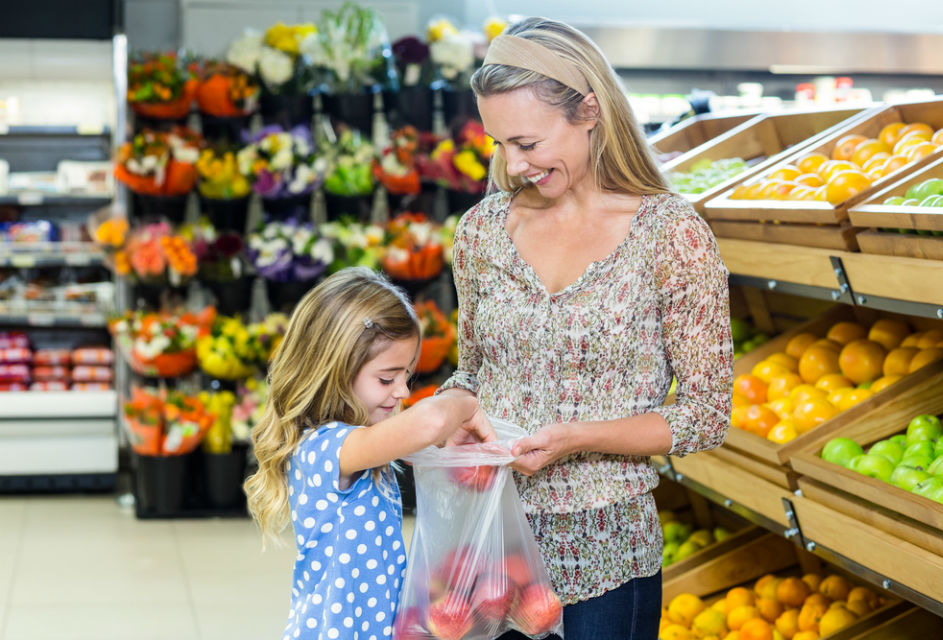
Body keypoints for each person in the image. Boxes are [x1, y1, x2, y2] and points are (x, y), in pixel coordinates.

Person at [437, 17, 733, 640]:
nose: (512, 165)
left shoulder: (670, 235)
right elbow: (472, 372)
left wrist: (577, 437)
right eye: (498, 145)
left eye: (527, 142)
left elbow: (705, 415)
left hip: (607, 552)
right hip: (491, 542)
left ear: (589, 111)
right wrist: (452, 414)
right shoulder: (482, 233)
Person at [244, 267, 492, 640]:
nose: (403, 391)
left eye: (408, 376)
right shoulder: (325, 446)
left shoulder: (366, 439)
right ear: (335, 369)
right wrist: (464, 403)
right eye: (387, 379)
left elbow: (423, 442)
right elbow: (427, 424)